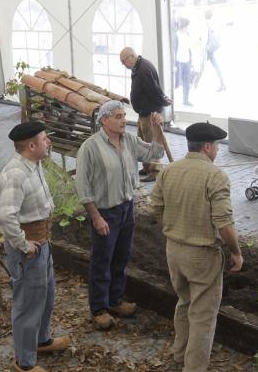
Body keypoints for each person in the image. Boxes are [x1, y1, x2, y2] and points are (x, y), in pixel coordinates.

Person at [149, 122, 242, 372]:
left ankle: (180, 354)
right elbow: (224, 223)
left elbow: (155, 207)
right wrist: (235, 251)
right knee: (203, 315)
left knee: (184, 301)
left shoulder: (169, 170)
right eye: (216, 147)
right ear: (208, 147)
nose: (216, 151)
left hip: (173, 250)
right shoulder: (215, 176)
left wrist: (173, 228)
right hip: (202, 255)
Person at [74, 100, 165, 330]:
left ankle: (115, 301)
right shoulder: (90, 147)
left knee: (121, 257)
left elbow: (156, 153)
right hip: (105, 212)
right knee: (101, 261)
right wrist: (96, 217)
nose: (124, 120)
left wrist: (157, 128)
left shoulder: (130, 141)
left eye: (124, 115)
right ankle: (99, 309)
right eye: (118, 116)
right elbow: (83, 187)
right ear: (104, 120)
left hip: (126, 208)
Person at [0, 121, 71, 372]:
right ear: (31, 146)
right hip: (28, 251)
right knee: (28, 304)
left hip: (42, 244)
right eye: (44, 138)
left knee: (46, 294)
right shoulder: (16, 175)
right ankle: (24, 360)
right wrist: (24, 244)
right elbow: (5, 218)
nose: (48, 141)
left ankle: (42, 340)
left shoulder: (34, 165)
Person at [119, 47, 170, 182]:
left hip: (150, 114)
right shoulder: (137, 68)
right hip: (143, 113)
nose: (123, 65)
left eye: (123, 61)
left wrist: (161, 108)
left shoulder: (144, 69)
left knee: (152, 142)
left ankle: (156, 171)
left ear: (131, 56)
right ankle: (147, 167)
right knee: (142, 141)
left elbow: (155, 91)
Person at [173, 19, 193, 106]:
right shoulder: (176, 36)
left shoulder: (188, 34)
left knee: (187, 81)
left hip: (187, 61)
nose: (188, 28)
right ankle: (170, 101)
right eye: (187, 26)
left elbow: (189, 49)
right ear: (183, 26)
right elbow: (173, 50)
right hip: (179, 61)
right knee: (176, 83)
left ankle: (185, 100)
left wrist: (191, 60)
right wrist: (174, 64)